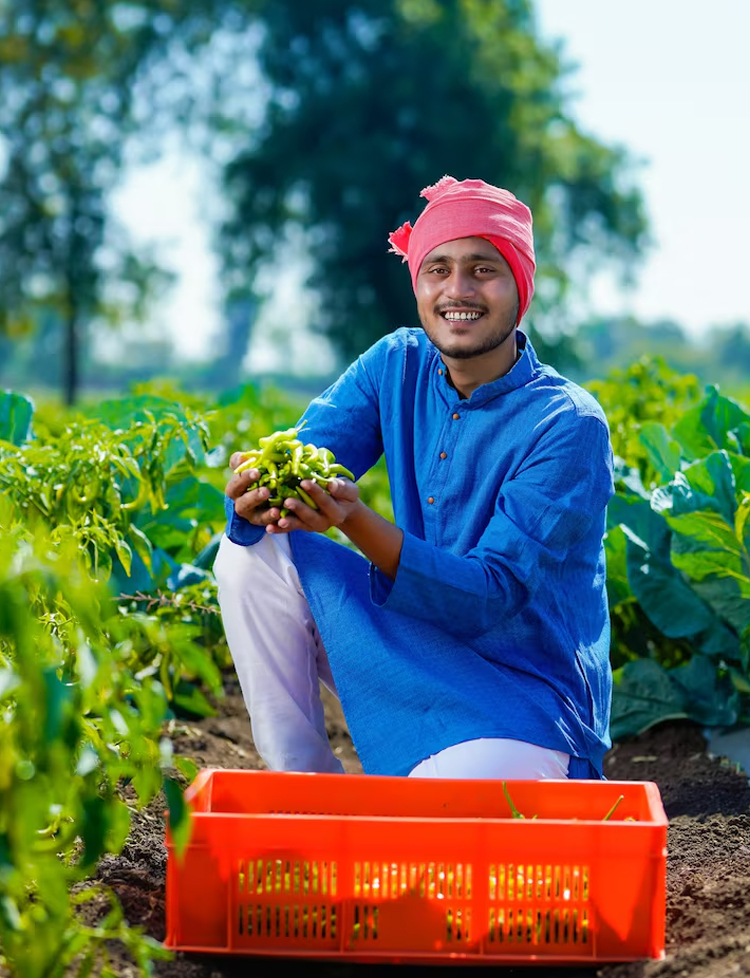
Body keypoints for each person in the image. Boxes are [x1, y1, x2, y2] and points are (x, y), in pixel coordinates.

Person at [213, 175, 615, 781]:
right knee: (251, 553)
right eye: (438, 269)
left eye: (484, 269)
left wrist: (351, 517)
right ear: (419, 283)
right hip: (414, 646)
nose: (458, 290)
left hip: (523, 699)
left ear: (519, 287)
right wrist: (260, 493)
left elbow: (490, 594)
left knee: (450, 808)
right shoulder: (395, 363)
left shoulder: (567, 424)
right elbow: (303, 460)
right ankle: (303, 784)